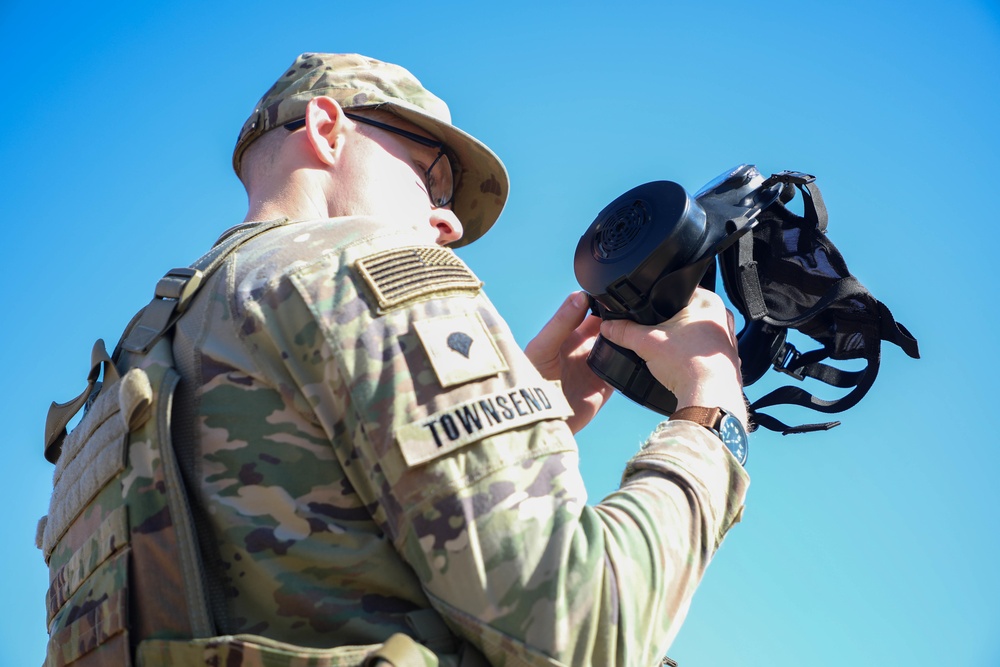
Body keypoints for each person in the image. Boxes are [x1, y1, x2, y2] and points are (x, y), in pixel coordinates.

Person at [47, 53, 750, 666]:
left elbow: (286, 573)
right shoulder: (363, 269)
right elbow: (587, 627)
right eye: (430, 177)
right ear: (327, 129)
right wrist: (710, 410)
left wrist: (529, 417)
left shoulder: (135, 369)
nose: (446, 223)